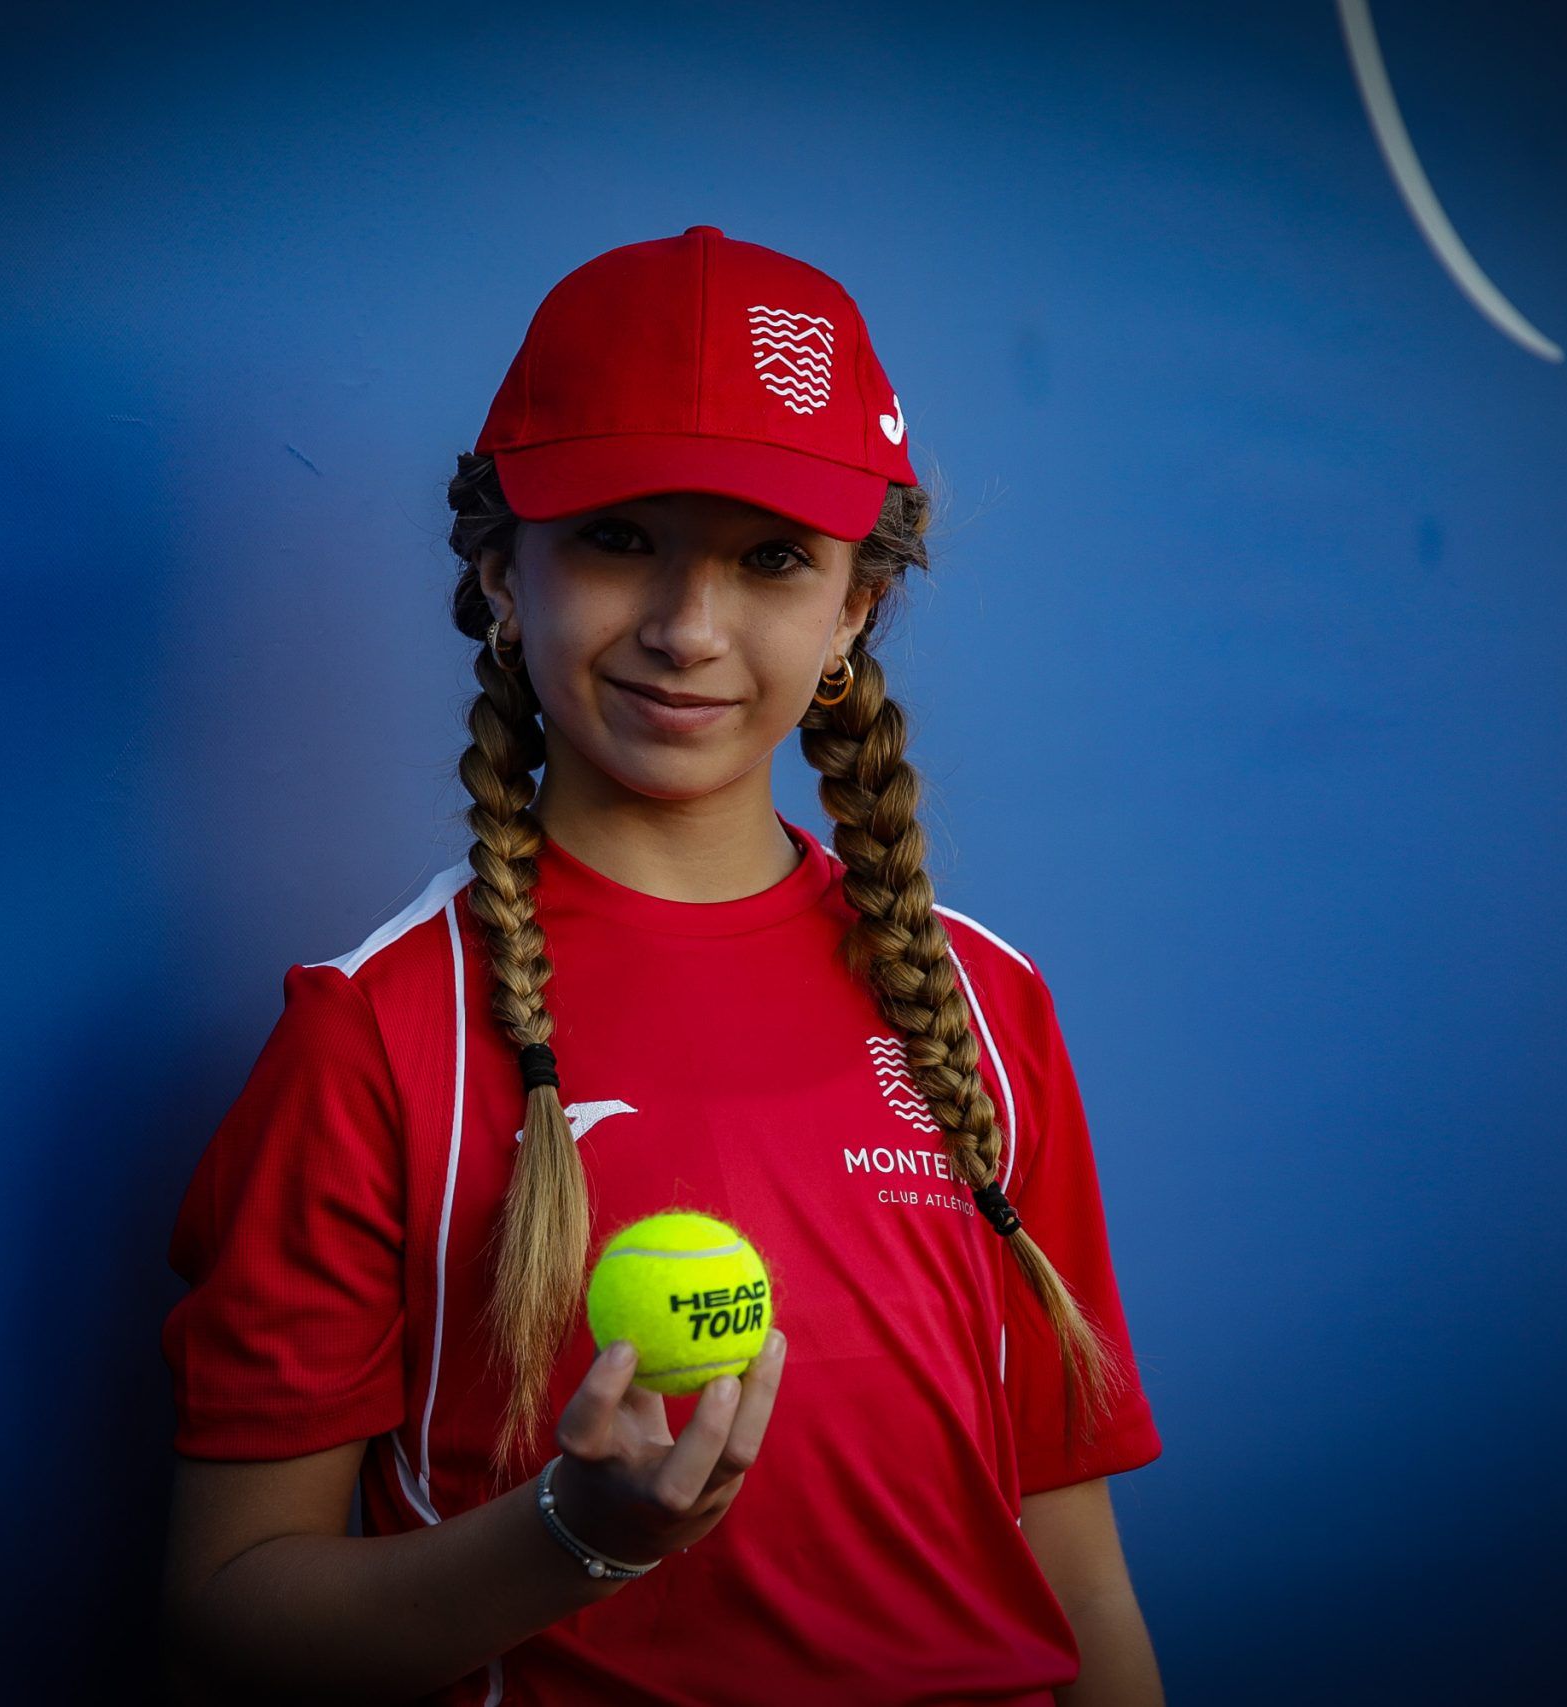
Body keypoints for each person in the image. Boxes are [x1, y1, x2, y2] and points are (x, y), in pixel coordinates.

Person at [158, 225, 1166, 1705]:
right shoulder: (382, 1033)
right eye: (621, 537)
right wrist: (577, 1535)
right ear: (505, 574)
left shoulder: (983, 1008)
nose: (689, 630)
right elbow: (234, 1611)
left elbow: (1073, 1567)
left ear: (855, 609)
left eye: (770, 560)